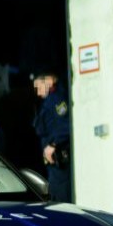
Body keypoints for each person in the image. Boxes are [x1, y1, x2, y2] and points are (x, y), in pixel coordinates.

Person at [30, 64, 72, 203]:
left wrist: (53, 145)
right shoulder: (49, 100)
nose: (38, 93)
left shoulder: (56, 99)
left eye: (39, 87)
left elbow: (67, 126)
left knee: (61, 203)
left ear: (49, 81)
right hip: (54, 166)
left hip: (59, 161)